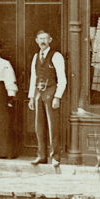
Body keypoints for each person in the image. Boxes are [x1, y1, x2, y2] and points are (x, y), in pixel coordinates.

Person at [27, 30, 66, 167]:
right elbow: (33, 78)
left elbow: (62, 79)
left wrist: (57, 97)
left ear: (50, 40)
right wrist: (31, 97)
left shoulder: (56, 56)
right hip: (38, 93)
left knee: (53, 126)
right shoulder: (36, 56)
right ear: (36, 41)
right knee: (39, 126)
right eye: (40, 39)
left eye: (45, 38)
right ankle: (41, 155)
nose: (43, 41)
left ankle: (55, 156)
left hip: (51, 92)